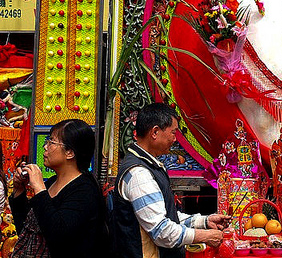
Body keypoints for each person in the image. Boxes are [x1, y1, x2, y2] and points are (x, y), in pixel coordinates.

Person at [112, 102, 230, 258]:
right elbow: (161, 231)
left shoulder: (150, 165)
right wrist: (203, 236)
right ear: (155, 132)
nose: (175, 139)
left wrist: (205, 221)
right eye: (173, 133)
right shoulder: (139, 173)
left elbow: (167, 216)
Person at [10, 119, 107, 258]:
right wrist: (19, 190)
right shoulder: (51, 182)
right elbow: (27, 231)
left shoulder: (84, 190)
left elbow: (58, 235)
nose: (45, 147)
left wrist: (39, 188)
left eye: (52, 142)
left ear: (69, 152)